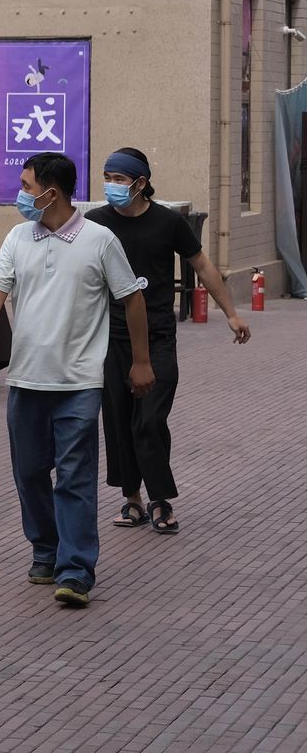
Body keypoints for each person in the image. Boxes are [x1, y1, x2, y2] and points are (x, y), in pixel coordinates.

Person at [0, 152, 153, 608]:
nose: (21, 194)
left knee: (73, 476)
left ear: (52, 192)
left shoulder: (100, 240)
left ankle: (75, 569)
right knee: (29, 474)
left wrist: (141, 361)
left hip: (79, 382)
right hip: (27, 379)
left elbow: (131, 299)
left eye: (27, 186)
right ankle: (46, 550)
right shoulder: (17, 237)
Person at [86, 147, 250, 535]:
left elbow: (203, 266)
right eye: (107, 178)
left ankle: (161, 498)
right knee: (120, 420)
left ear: (140, 183)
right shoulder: (95, 224)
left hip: (158, 335)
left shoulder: (167, 223)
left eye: (119, 179)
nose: (111, 186)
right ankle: (133, 500)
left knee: (150, 418)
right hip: (111, 336)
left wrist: (230, 312)